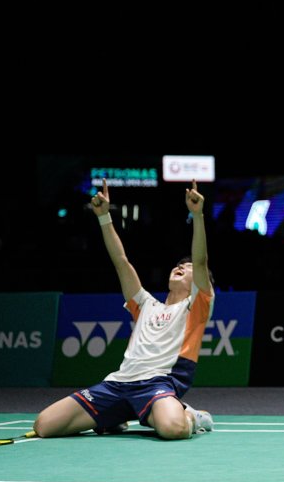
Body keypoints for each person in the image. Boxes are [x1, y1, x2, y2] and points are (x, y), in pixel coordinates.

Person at [34, 178, 215, 440]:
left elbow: (200, 260)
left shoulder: (195, 306)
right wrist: (104, 217)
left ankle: (192, 416)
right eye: (179, 265)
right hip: (118, 383)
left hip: (158, 384)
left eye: (187, 268)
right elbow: (121, 261)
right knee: (44, 425)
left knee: (173, 429)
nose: (180, 267)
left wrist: (197, 216)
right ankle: (116, 416)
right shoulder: (144, 304)